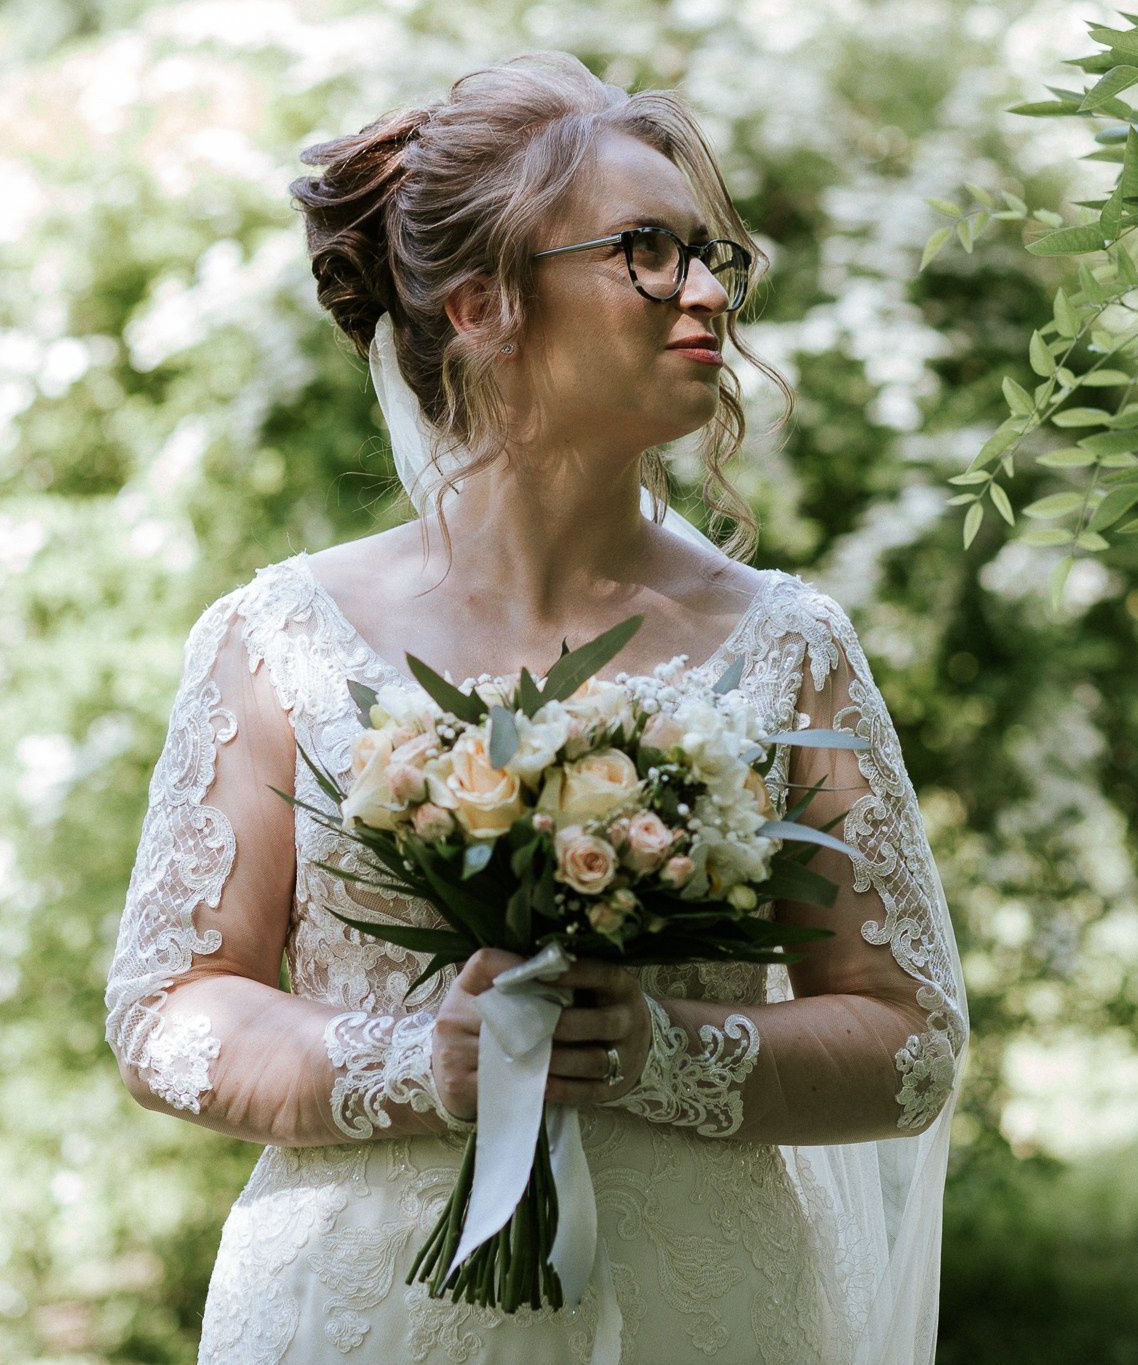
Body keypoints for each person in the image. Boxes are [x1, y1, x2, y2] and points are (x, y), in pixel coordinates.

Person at [102, 49, 966, 1365]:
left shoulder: (789, 646)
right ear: (481, 304)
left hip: (703, 1312)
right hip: (364, 1312)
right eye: (647, 251)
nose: (710, 292)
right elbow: (168, 1007)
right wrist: (418, 1060)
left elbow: (909, 1044)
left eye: (712, 252)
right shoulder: (279, 640)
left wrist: (660, 1051)